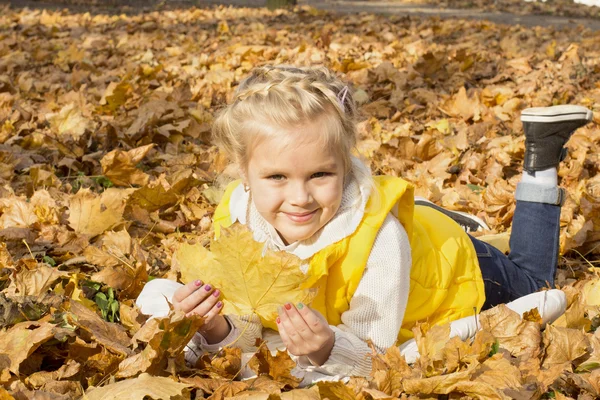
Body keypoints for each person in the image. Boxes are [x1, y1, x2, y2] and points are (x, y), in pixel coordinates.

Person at [136, 65, 592, 382]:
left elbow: (374, 353)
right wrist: (217, 329)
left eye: (320, 175)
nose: (298, 197)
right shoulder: (236, 218)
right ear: (243, 171)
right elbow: (248, 320)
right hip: (399, 236)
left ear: (346, 165)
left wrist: (324, 349)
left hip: (459, 268)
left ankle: (541, 160)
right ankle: (432, 213)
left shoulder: (382, 243)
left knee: (537, 281)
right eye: (276, 177)